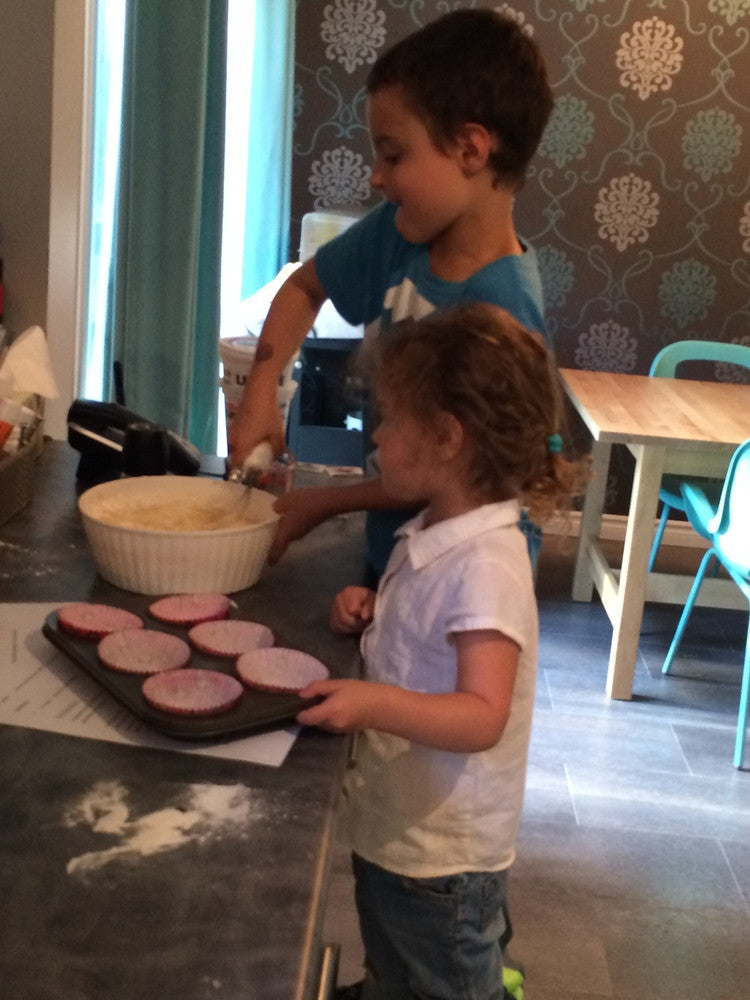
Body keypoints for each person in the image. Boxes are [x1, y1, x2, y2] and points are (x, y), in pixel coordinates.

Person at [295, 304, 589, 1000]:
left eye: (392, 418)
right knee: (399, 966)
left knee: (448, 979)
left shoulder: (487, 562)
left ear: (447, 437)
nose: (378, 435)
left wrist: (372, 701)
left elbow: (481, 713)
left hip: (442, 862)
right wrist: (371, 616)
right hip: (402, 829)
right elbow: (427, 640)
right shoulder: (439, 531)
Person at [227, 8, 554, 579]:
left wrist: (321, 502)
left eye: (394, 154)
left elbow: (454, 474)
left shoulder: (501, 305)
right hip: (399, 552)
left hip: (463, 579)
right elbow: (305, 286)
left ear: (471, 151)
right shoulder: (398, 232)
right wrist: (261, 391)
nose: (376, 176)